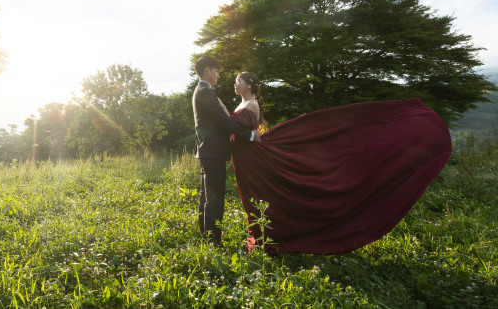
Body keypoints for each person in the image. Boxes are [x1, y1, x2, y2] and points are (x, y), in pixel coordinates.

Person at [222, 70, 451, 254]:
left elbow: (232, 124)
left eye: (238, 81)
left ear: (249, 85)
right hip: (245, 156)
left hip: (252, 155)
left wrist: (216, 108)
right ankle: (263, 231)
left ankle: (275, 233)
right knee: (254, 194)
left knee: (265, 193)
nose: (235, 84)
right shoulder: (242, 104)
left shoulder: (251, 104)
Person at [192, 55, 259, 246]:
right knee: (214, 199)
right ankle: (214, 243)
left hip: (208, 152)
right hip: (212, 152)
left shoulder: (203, 91)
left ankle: (207, 238)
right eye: (216, 71)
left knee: (206, 197)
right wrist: (250, 135)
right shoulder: (204, 92)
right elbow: (222, 121)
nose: (218, 75)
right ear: (207, 71)